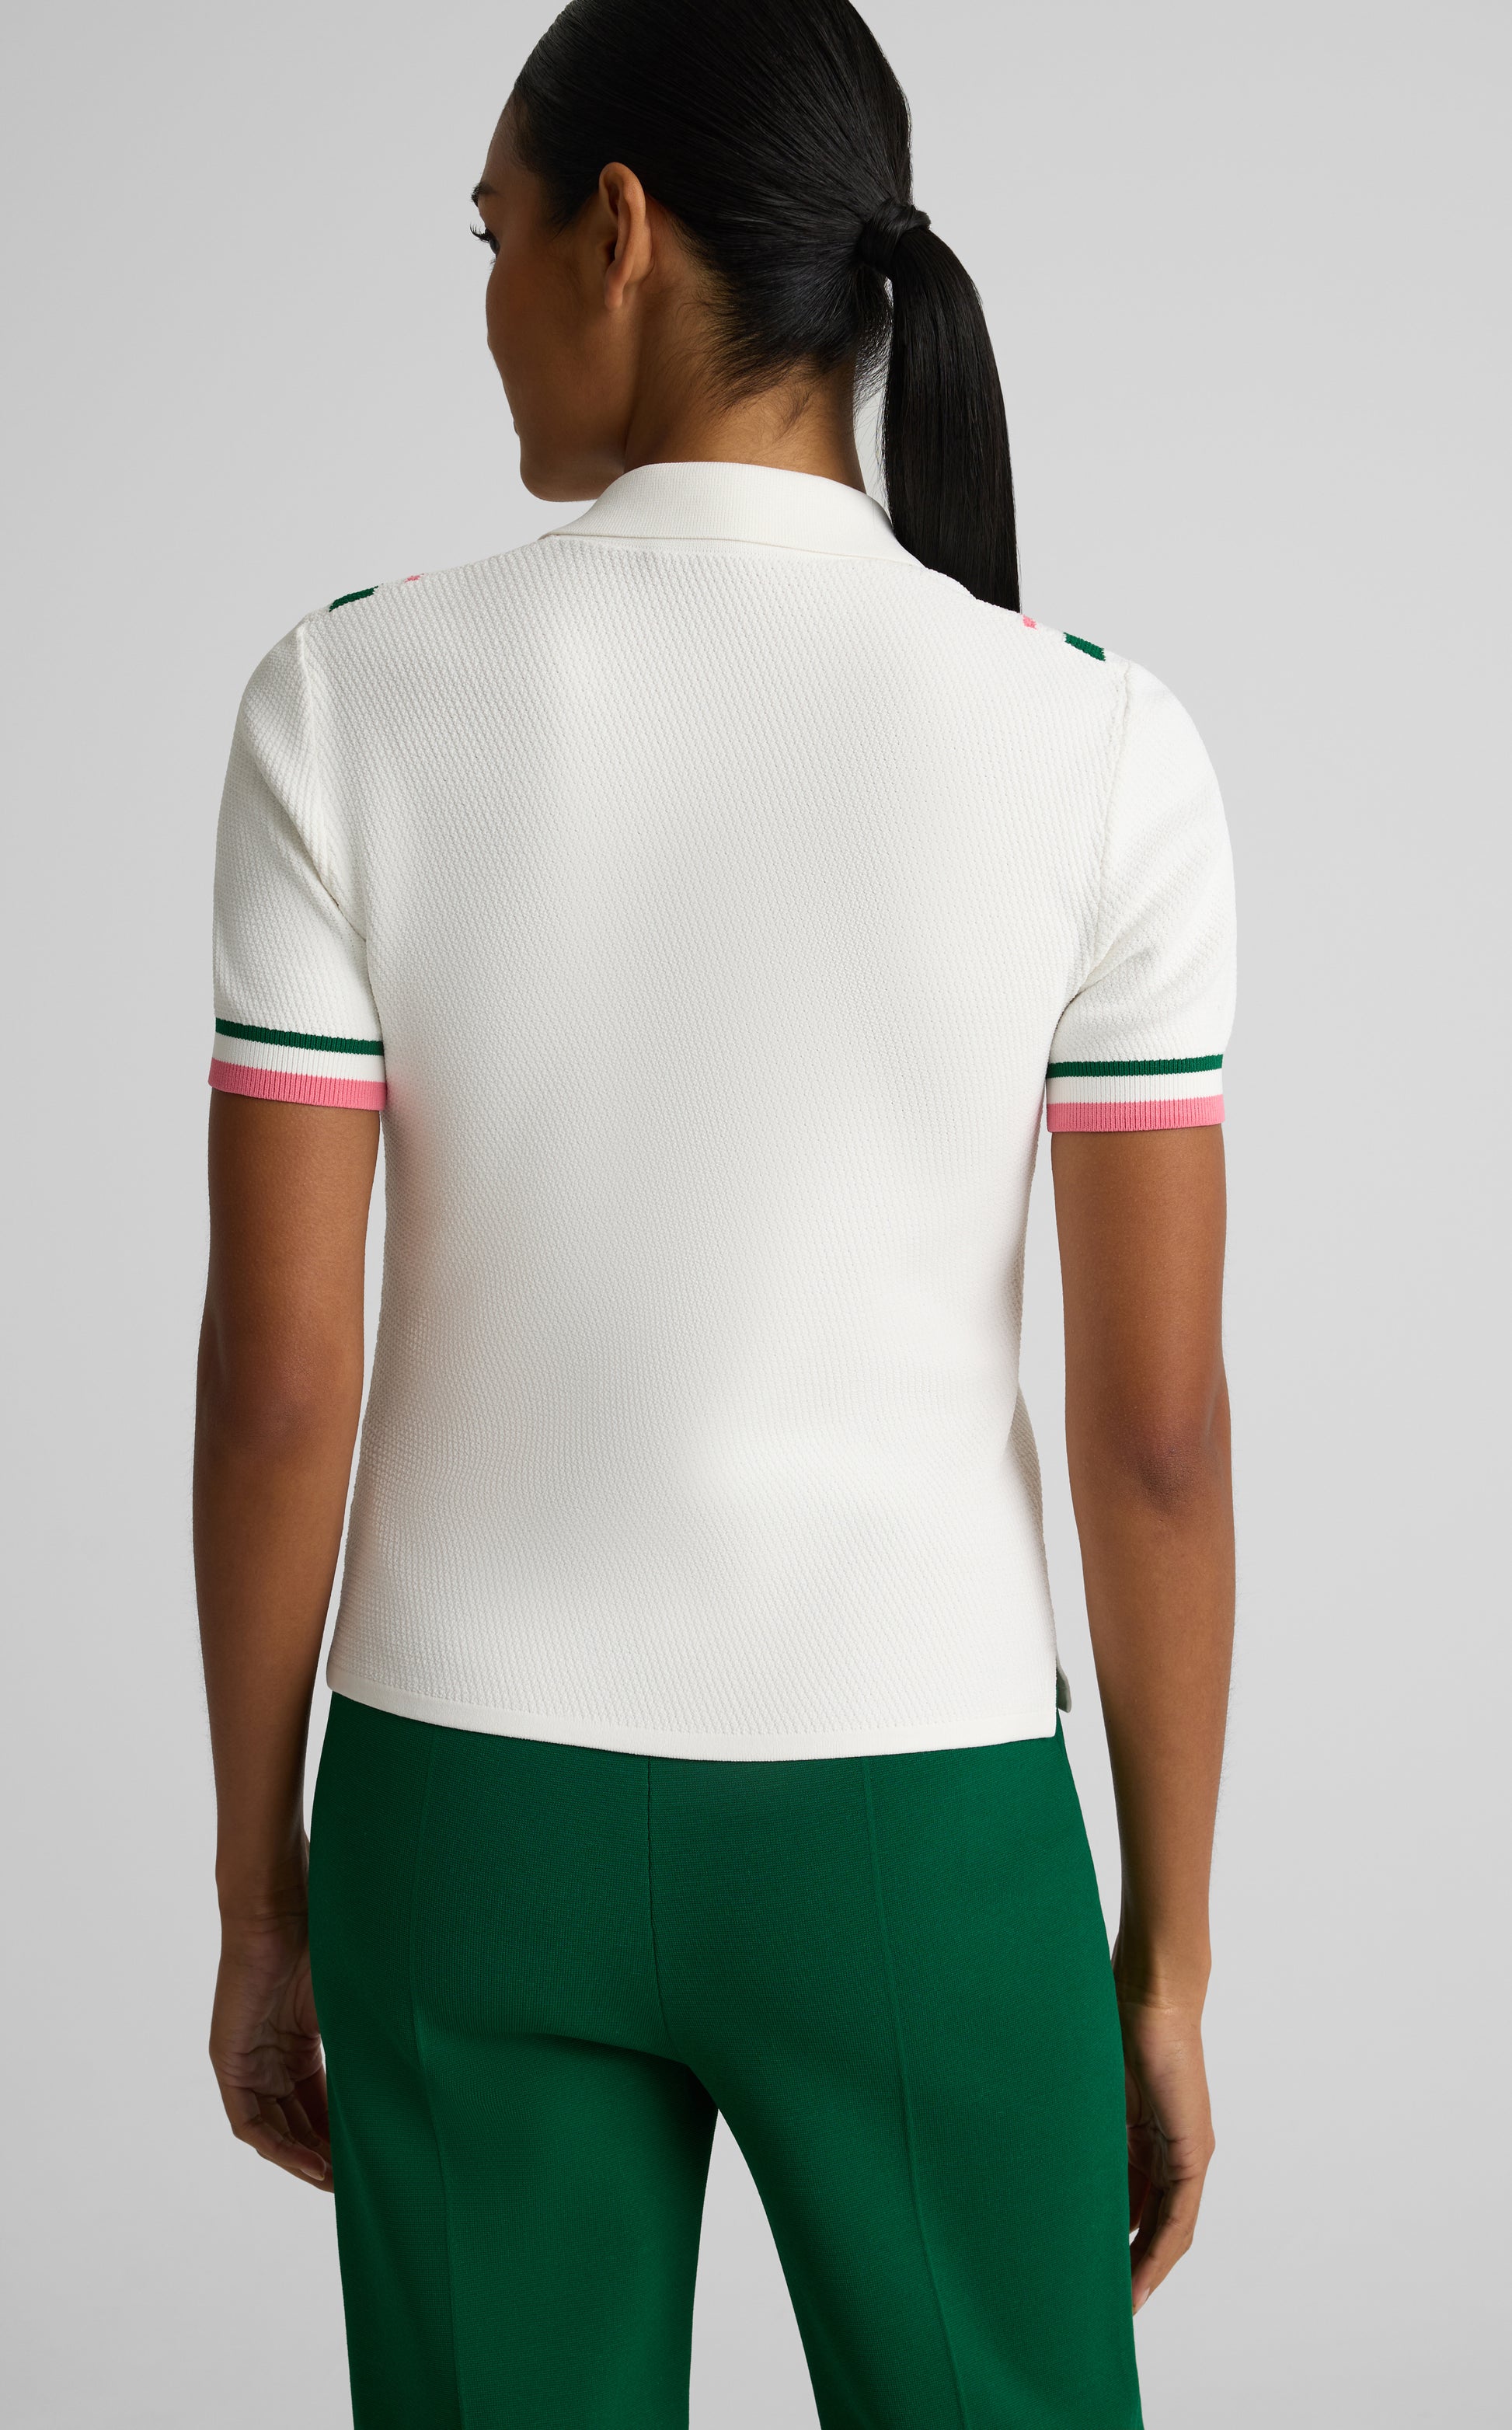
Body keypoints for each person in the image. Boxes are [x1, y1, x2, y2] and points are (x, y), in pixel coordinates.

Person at [193, 2, 1235, 2423]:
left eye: (490, 235)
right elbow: (1156, 1433)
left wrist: (262, 1896)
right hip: (924, 1828)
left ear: (620, 232)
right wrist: (1162, 1967)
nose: (484, 303)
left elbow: (279, 1383)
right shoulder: (1097, 741)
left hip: (465, 1821)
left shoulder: (348, 699)